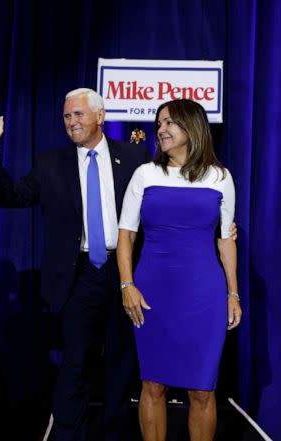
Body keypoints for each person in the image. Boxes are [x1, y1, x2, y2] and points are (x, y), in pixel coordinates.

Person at [0, 88, 150, 441]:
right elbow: (12, 196)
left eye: (78, 115)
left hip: (126, 271)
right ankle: (70, 434)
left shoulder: (133, 157)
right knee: (75, 362)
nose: (71, 122)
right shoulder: (50, 164)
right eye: (67, 116)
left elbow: (156, 205)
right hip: (77, 274)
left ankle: (115, 432)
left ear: (100, 116)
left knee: (121, 361)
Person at [116, 99, 241, 441]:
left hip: (204, 295)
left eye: (169, 122)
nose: (161, 129)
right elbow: (125, 235)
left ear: (192, 127)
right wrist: (127, 285)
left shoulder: (220, 177)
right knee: (152, 383)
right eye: (159, 123)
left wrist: (233, 293)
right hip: (152, 292)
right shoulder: (146, 174)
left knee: (202, 389)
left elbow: (226, 240)